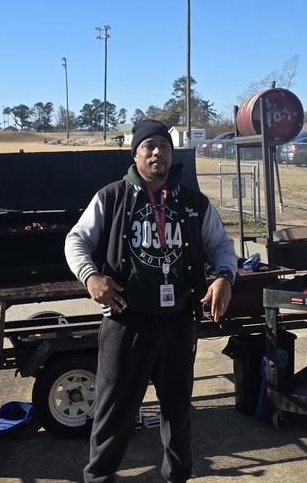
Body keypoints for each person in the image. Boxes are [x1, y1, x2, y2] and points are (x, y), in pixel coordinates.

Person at [65, 119, 237, 483]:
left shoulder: (192, 202)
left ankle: (177, 476)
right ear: (135, 154)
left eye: (164, 146)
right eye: (149, 147)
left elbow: (221, 244)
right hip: (127, 318)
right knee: (115, 407)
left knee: (178, 408)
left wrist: (224, 276)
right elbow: (76, 240)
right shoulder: (111, 197)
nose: (158, 152)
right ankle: (99, 477)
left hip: (179, 320)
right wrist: (90, 276)